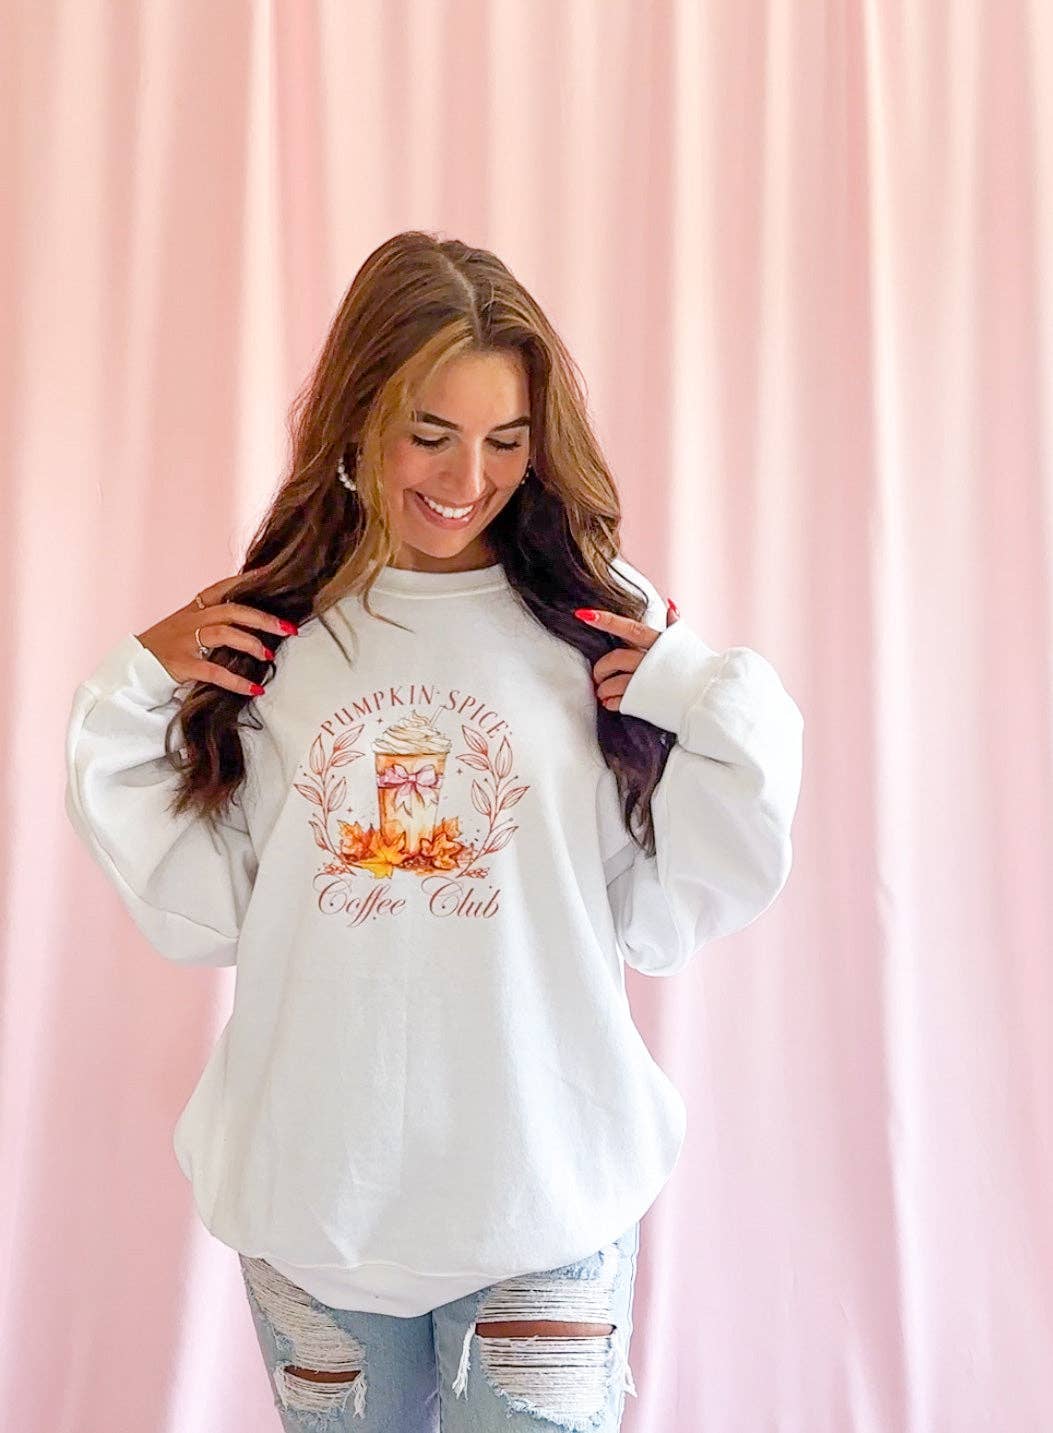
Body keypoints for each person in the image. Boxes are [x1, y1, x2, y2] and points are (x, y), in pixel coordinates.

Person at [63, 231, 804, 1432]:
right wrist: (134, 684)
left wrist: (701, 689)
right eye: (431, 433)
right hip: (317, 1204)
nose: (470, 475)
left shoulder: (595, 619)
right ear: (358, 416)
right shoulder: (275, 631)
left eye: (507, 439)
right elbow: (203, 906)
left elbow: (689, 884)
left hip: (545, 1202)